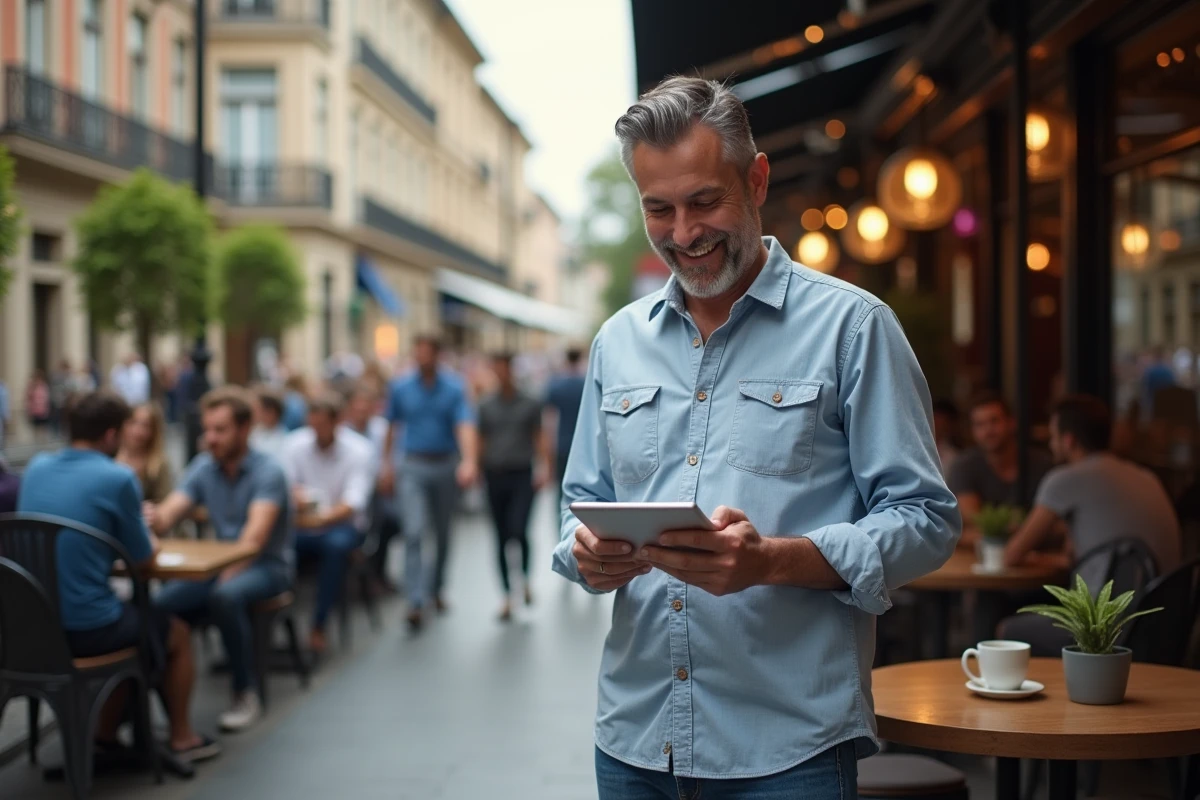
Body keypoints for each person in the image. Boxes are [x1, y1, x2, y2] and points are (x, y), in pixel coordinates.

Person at [554, 77, 959, 796]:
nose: (684, 233)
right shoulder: (617, 342)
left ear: (757, 180)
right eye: (659, 209)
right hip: (634, 743)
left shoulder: (854, 327)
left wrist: (774, 560)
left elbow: (926, 520)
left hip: (789, 751)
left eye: (704, 201)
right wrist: (587, 554)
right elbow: (579, 505)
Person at [16, 392, 219, 762]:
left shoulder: (35, 468)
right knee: (173, 633)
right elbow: (143, 560)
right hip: (86, 630)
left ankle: (106, 735)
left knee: (135, 621)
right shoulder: (118, 477)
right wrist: (144, 532)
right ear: (111, 435)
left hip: (31, 629)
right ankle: (181, 737)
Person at [147, 387, 292, 733]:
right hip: (220, 564)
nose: (210, 438)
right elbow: (170, 512)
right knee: (158, 606)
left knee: (225, 596)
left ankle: (245, 692)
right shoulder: (204, 467)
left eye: (220, 430)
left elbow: (254, 540)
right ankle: (161, 702)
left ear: (245, 429)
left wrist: (230, 571)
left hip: (268, 565)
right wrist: (151, 516)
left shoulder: (268, 471)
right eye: (207, 429)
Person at [1003, 395, 1181, 580]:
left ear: (1069, 440)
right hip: (1165, 595)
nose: (1050, 444)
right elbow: (1075, 554)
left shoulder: (1064, 479)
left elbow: (1012, 556)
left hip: (1106, 598)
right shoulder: (1148, 477)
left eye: (1053, 437)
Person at [381, 336, 480, 632]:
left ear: (438, 355)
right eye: (418, 353)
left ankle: (436, 588)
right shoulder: (400, 386)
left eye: (427, 353)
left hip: (444, 464)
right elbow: (392, 426)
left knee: (442, 532)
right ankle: (415, 599)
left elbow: (465, 425)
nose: (422, 358)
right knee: (413, 530)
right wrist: (387, 465)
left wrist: (469, 460)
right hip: (413, 464)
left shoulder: (454, 387)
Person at [282, 392, 374, 654]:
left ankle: (319, 624)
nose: (316, 431)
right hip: (302, 525)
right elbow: (287, 488)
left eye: (322, 425)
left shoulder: (359, 450)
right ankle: (280, 620)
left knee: (335, 548)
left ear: (337, 422)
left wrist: (321, 518)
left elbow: (354, 501)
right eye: (312, 424)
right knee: (278, 546)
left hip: (342, 526)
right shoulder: (295, 444)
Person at [478, 353, 552, 620]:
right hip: (494, 473)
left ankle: (525, 579)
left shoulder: (530, 402)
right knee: (500, 535)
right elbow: (481, 438)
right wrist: (476, 467)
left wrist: (545, 466)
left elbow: (539, 435)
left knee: (519, 530)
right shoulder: (485, 405)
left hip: (521, 473)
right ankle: (507, 594)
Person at [946, 392, 1052, 544]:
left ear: (1011, 422)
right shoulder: (963, 466)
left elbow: (1054, 523)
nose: (988, 430)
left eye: (994, 421)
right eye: (980, 424)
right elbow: (971, 520)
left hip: (1039, 553)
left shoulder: (1042, 464)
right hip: (984, 553)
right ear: (972, 431)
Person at [342, 383, 400, 592]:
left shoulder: (382, 429)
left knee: (391, 521)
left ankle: (376, 570)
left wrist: (385, 476)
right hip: (347, 492)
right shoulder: (341, 432)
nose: (361, 410)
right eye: (357, 406)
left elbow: (392, 460)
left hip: (378, 490)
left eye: (365, 406)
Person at [544, 348, 587, 509]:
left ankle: (562, 519)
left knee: (561, 489)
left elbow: (549, 420)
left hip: (562, 444)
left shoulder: (557, 386)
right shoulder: (585, 384)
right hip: (583, 445)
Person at [118, 402, 174, 503]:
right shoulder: (110, 456)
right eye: (133, 422)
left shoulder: (158, 465)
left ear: (154, 431)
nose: (137, 431)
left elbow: (166, 503)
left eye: (145, 425)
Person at [249, 386, 290, 463]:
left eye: (257, 409)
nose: (253, 413)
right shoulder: (254, 431)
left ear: (271, 412)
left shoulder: (285, 441)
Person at [931, 399, 962, 478]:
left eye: (942, 422)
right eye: (935, 419)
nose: (938, 425)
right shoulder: (916, 448)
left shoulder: (954, 457)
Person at [25, 369, 52, 443]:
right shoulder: (32, 386)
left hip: (43, 409)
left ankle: (43, 439)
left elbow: (47, 398)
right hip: (34, 409)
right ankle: (37, 440)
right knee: (36, 425)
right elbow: (28, 397)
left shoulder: (44, 386)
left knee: (43, 425)